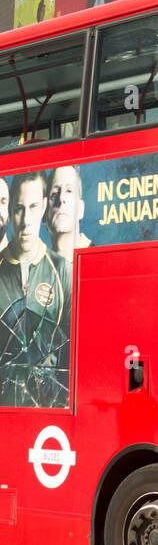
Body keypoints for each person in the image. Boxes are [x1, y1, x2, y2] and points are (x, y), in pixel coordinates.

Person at [0, 172, 72, 408]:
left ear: (43, 207)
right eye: (19, 208)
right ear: (11, 210)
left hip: (49, 412)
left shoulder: (61, 270)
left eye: (32, 207)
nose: (26, 220)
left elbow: (73, 350)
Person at [46, 165, 92, 261]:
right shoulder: (39, 271)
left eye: (69, 191)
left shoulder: (99, 259)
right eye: (54, 193)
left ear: (81, 209)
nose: (61, 198)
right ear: (45, 211)